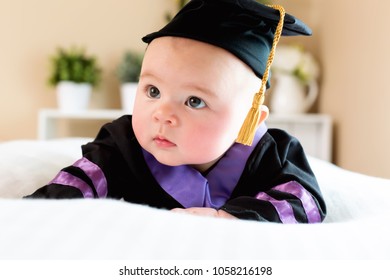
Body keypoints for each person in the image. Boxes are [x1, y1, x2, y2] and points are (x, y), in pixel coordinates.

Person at [26, 0, 326, 223]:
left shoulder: (273, 153)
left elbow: (304, 203)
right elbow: (77, 184)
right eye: (153, 91)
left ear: (250, 119)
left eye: (194, 101)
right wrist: (29, 216)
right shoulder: (122, 144)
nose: (162, 114)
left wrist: (231, 220)